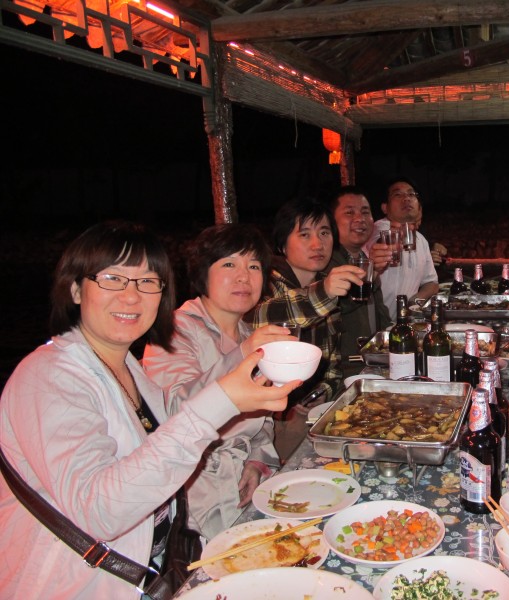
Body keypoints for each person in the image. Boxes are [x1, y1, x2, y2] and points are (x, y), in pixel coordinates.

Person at [0, 221, 299, 599]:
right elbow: (100, 511)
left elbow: (167, 444)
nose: (131, 296)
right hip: (78, 584)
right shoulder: (49, 376)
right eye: (112, 279)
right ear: (75, 289)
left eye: (147, 282)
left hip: (154, 567)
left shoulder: (130, 371)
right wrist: (220, 400)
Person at [142, 224, 295, 539]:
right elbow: (174, 411)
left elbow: (263, 419)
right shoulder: (174, 331)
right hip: (195, 493)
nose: (244, 277)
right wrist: (244, 354)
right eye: (229, 264)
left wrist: (258, 461)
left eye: (254, 266)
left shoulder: (248, 334)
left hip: (246, 483)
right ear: (203, 274)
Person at [248, 198, 364, 411]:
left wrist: (323, 391)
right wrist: (324, 292)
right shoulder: (262, 284)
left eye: (324, 233)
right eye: (304, 234)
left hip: (310, 411)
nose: (317, 244)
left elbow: (333, 366)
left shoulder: (327, 287)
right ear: (282, 245)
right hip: (264, 411)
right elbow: (261, 317)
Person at [328, 186, 391, 376]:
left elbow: (381, 314)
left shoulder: (364, 259)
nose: (359, 219)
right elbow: (336, 306)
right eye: (349, 212)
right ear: (331, 221)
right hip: (345, 370)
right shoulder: (329, 262)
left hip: (372, 363)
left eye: (365, 212)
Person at [366, 176, 439, 320]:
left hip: (404, 323)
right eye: (398, 195)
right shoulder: (376, 230)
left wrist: (412, 303)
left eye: (411, 194)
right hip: (376, 324)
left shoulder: (421, 240)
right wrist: (388, 241)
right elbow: (377, 244)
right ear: (385, 208)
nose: (406, 198)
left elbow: (432, 283)